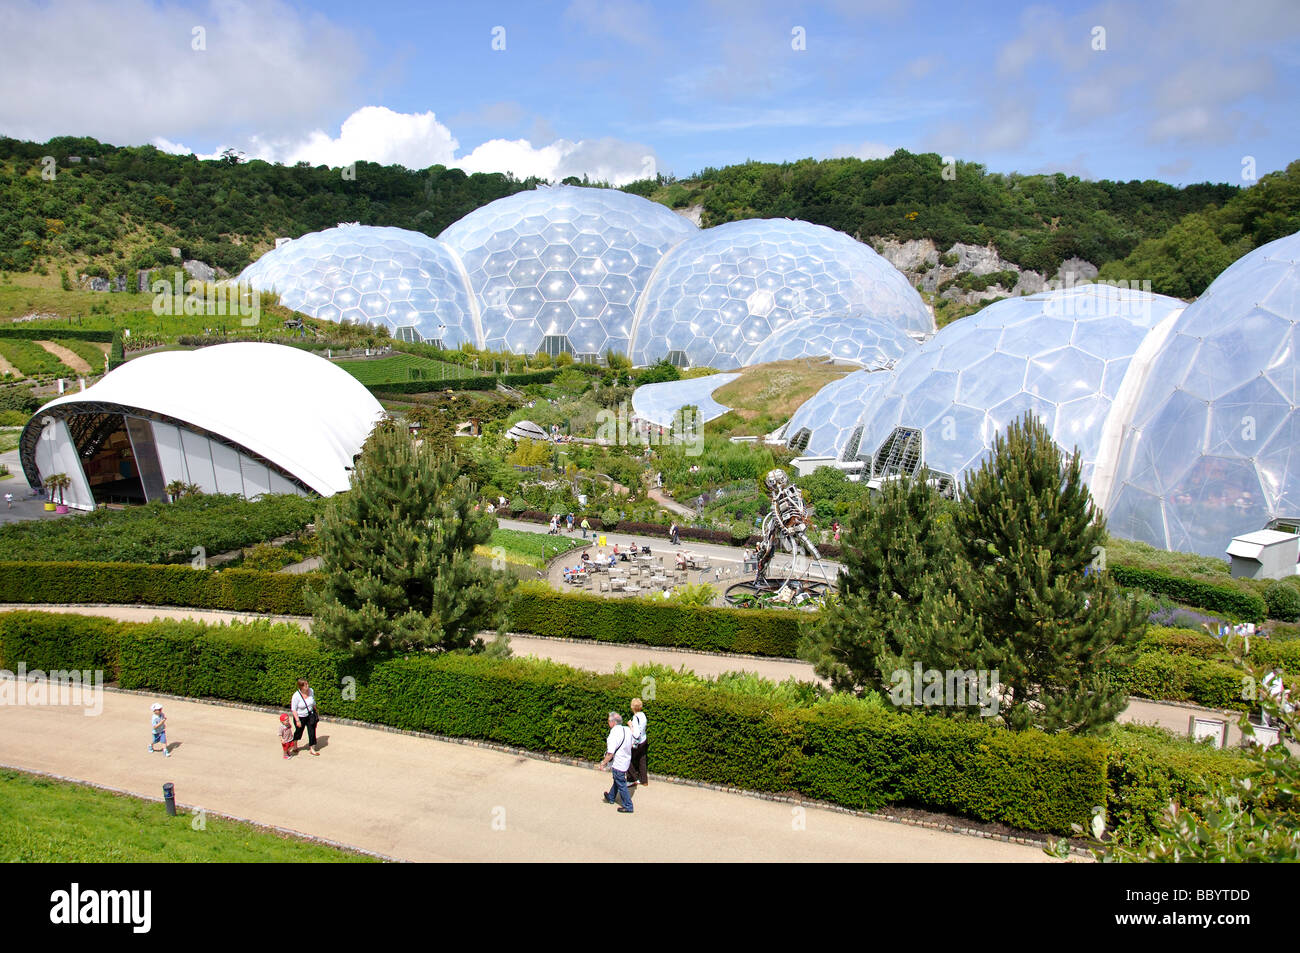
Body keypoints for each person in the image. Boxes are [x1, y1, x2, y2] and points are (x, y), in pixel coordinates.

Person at [598, 711, 635, 813]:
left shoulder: (614, 734)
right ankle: (611, 796)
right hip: (626, 761)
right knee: (618, 779)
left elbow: (610, 753)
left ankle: (628, 806)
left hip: (618, 763)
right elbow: (632, 744)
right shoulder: (627, 730)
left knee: (621, 782)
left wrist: (603, 763)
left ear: (613, 722)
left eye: (609, 721)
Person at [291, 678, 321, 756]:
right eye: (305, 685)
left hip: (310, 715)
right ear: (301, 687)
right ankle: (295, 745)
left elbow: (313, 702)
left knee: (312, 731)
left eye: (307, 684)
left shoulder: (311, 691)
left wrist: (316, 711)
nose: (308, 686)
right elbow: (293, 709)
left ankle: (312, 748)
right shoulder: (296, 696)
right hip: (300, 716)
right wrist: (297, 720)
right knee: (299, 731)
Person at [627, 698, 649, 786]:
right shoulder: (643, 715)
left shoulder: (635, 718)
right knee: (642, 760)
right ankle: (644, 780)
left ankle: (632, 779)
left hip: (637, 742)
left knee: (628, 759)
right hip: (644, 740)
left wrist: (630, 725)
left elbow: (636, 734)